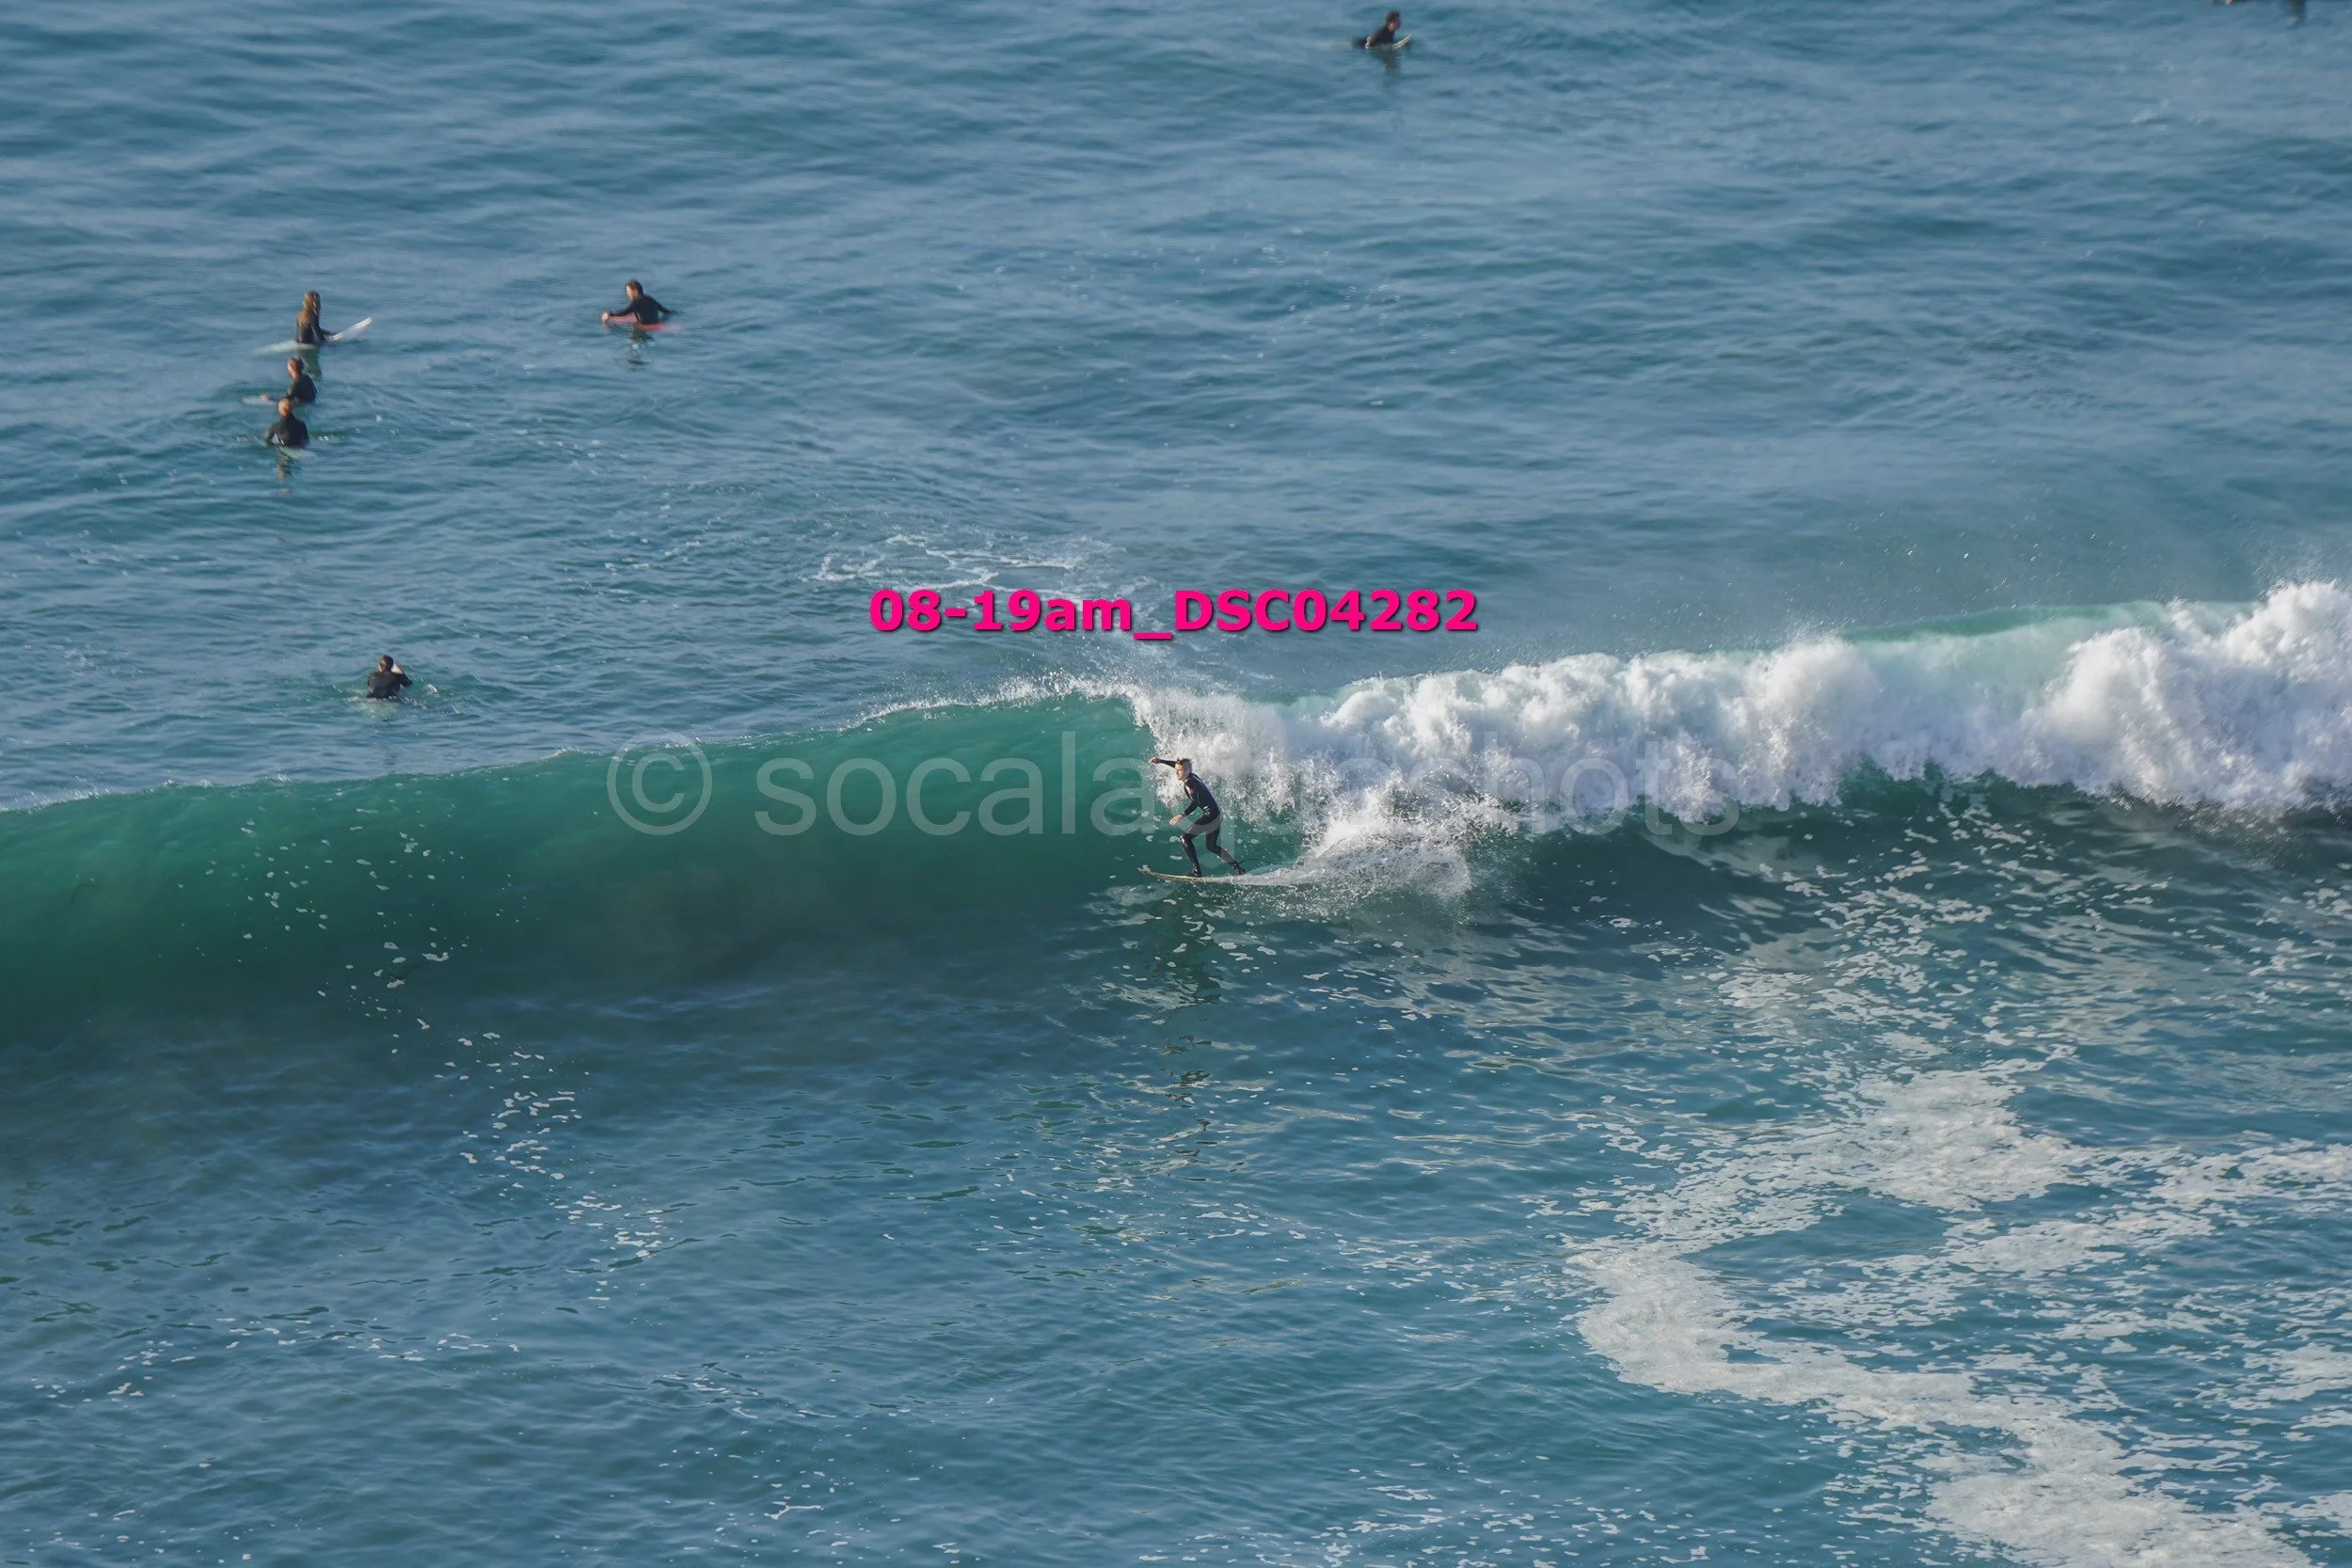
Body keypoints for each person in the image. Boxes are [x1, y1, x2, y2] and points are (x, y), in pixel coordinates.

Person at [1152, 757, 1247, 877]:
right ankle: (1238, 868)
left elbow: (1196, 802)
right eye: (1176, 770)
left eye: (1179, 771)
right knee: (1211, 846)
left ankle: (1197, 872)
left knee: (1185, 838)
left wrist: (1182, 814)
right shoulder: (1192, 776)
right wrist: (1161, 761)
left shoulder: (1189, 783)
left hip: (1210, 815)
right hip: (1217, 814)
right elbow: (1178, 766)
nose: (1176, 772)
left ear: (1186, 771)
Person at [602, 279, 672, 327]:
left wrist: (610, 314)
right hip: (656, 323)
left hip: (644, 326)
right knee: (632, 318)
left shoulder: (636, 301)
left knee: (613, 323)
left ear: (635, 290)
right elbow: (665, 310)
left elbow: (625, 312)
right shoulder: (650, 299)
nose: (627, 294)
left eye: (628, 291)